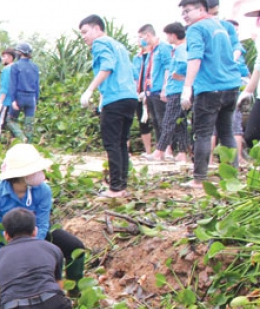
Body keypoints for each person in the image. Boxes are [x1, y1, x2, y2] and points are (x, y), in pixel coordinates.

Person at [0, 143, 86, 288]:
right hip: (7, 240)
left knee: (75, 247)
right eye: (34, 170)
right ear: (21, 175)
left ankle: (75, 291)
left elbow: (42, 223)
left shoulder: (43, 190)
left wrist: (33, 247)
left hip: (36, 234)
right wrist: (1, 254)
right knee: (3, 268)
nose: (41, 173)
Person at [179, 0, 241, 189]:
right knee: (226, 133)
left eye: (188, 11)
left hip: (210, 88)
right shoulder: (221, 26)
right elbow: (234, 52)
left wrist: (187, 87)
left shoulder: (196, 28)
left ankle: (199, 178)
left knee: (203, 134)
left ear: (201, 9)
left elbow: (195, 57)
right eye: (183, 13)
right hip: (230, 86)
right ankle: (232, 176)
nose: (185, 16)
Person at [79, 15, 138, 198]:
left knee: (112, 143)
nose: (83, 37)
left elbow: (107, 66)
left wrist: (89, 90)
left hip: (116, 98)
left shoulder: (100, 43)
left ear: (97, 29)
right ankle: (121, 185)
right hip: (130, 97)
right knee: (121, 143)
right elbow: (132, 72)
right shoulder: (118, 45)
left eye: (85, 32)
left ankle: (115, 188)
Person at [149, 23, 190, 164]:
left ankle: (159, 151)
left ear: (173, 35)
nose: (167, 38)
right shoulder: (178, 49)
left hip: (177, 90)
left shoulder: (181, 49)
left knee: (168, 121)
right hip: (176, 89)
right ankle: (183, 153)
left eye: (167, 35)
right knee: (180, 124)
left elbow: (184, 64)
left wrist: (177, 74)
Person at [137, 24, 174, 160]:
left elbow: (168, 68)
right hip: (151, 91)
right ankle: (160, 150)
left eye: (141, 37)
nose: (141, 40)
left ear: (148, 35)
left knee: (164, 121)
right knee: (156, 122)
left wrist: (165, 87)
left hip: (160, 90)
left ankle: (168, 150)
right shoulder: (152, 51)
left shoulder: (163, 48)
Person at [6, 43, 40, 144]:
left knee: (10, 120)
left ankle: (21, 137)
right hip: (31, 98)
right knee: (29, 124)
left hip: (19, 96)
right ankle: (29, 146)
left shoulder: (16, 66)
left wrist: (13, 100)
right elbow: (37, 85)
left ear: (20, 53)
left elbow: (13, 84)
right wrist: (36, 101)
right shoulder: (35, 67)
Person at [0, 49, 16, 138]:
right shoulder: (16, 68)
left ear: (10, 58)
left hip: (6, 101)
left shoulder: (7, 70)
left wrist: (0, 102)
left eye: (4, 56)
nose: (2, 58)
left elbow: (4, 87)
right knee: (12, 123)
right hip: (15, 101)